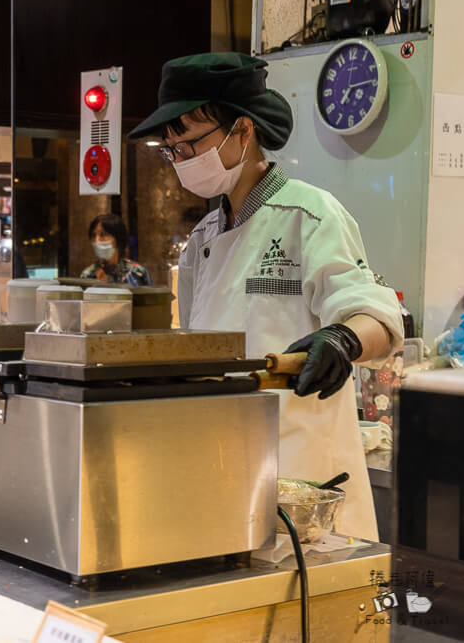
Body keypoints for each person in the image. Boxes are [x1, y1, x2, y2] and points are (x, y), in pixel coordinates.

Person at [129, 52, 403, 541]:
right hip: (224, 468)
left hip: (306, 481)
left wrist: (342, 339)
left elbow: (377, 317)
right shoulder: (203, 240)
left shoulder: (310, 215)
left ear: (242, 130)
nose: (182, 161)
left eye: (190, 144)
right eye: (171, 151)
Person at [80, 213, 152, 286]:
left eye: (103, 235)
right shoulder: (88, 274)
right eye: (93, 236)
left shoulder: (137, 272)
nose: (96, 241)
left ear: (118, 239)